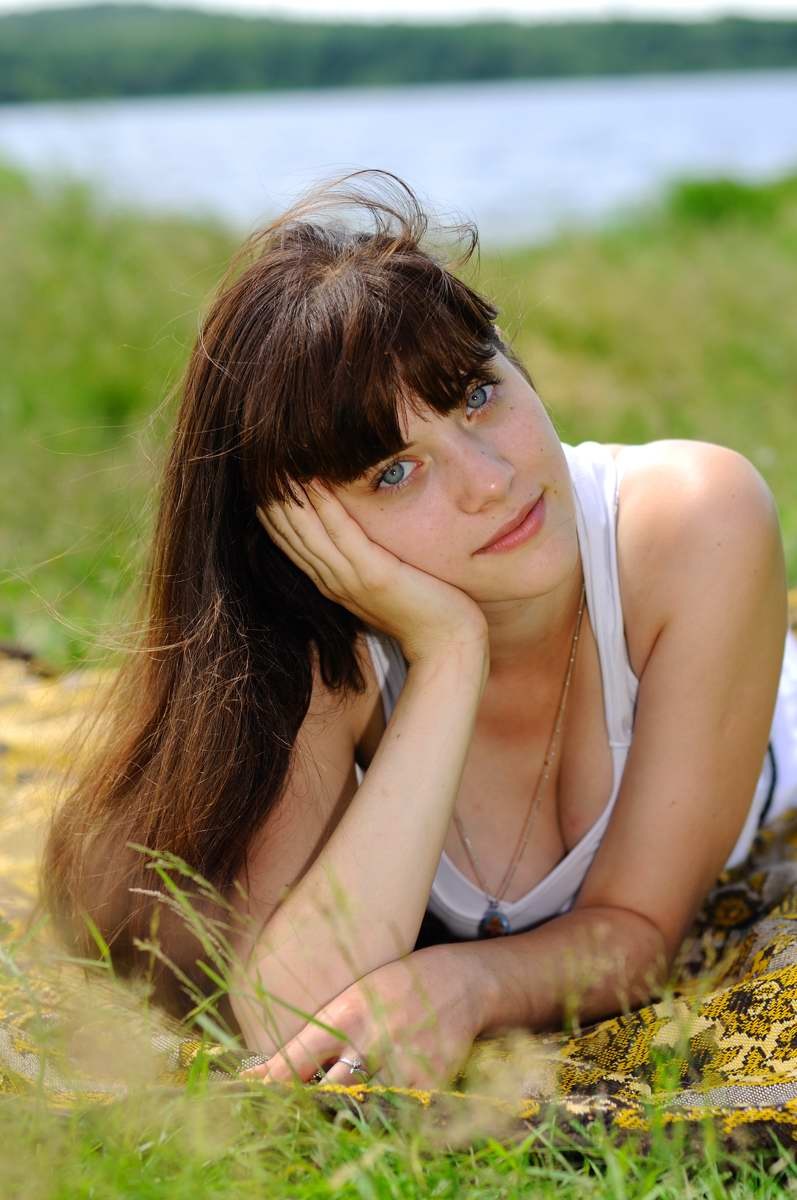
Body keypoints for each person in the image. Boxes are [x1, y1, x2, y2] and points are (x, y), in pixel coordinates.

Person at [36, 169, 797, 1095]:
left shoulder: (693, 523)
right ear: (303, 529)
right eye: (394, 472)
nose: (489, 479)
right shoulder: (328, 644)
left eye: (477, 394)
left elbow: (638, 932)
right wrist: (446, 655)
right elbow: (290, 1021)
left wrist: (465, 982)